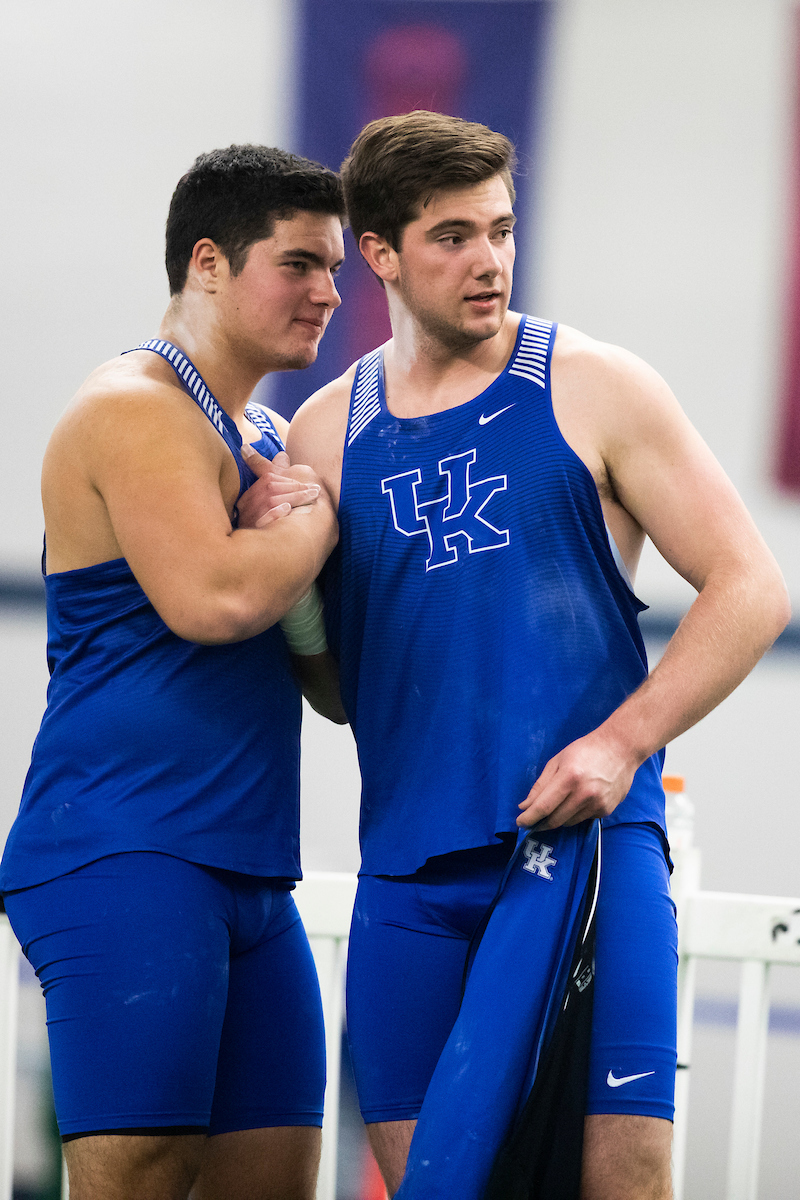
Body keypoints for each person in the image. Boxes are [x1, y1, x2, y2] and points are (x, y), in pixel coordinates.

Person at [260, 111, 790, 1199]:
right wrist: (292, 597)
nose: (488, 259)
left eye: (500, 229)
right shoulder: (322, 432)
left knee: (622, 1181)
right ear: (380, 255)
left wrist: (619, 742)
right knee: (437, 1188)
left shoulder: (593, 385)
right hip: (409, 878)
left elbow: (751, 590)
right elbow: (335, 696)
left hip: (588, 854)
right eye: (452, 236)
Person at [0, 144, 345, 1200]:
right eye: (298, 263)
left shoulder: (267, 437)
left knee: (274, 1181)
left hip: (246, 869)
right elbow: (217, 601)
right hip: (124, 851)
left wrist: (291, 562)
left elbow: (330, 687)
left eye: (335, 268)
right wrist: (317, 523)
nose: (328, 293)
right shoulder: (133, 407)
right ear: (208, 262)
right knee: (137, 1182)